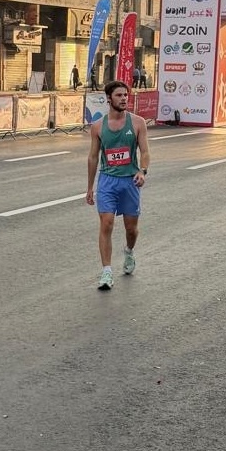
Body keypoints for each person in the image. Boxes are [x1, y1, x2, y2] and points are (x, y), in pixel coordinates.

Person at [86, 80, 151, 292]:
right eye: (119, 95)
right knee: (106, 224)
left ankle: (129, 251)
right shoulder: (98, 127)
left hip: (129, 181)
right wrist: (89, 188)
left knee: (131, 228)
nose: (124, 99)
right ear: (109, 99)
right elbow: (93, 157)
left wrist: (142, 171)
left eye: (126, 95)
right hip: (107, 181)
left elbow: (145, 152)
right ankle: (106, 271)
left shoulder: (138, 123)